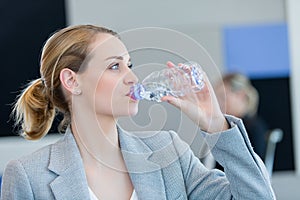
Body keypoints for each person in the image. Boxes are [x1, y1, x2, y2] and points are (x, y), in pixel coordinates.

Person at [0, 25, 275, 200]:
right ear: (72, 81)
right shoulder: (28, 176)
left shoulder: (168, 152)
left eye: (129, 64)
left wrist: (216, 125)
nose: (133, 77)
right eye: (115, 66)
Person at [214, 73, 269, 160]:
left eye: (223, 97)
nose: (219, 103)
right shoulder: (227, 125)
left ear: (240, 95)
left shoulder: (253, 128)